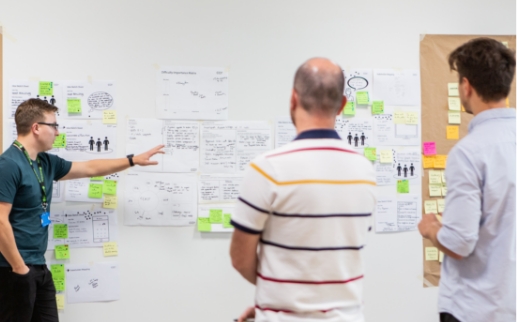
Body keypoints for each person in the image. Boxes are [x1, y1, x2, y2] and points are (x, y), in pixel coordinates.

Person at [230, 58, 377, 322]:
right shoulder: (365, 171)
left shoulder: (266, 169)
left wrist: (277, 302)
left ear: (293, 99)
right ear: (342, 105)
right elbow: (337, 252)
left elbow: (240, 258)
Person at [0, 98, 164, 322]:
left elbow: (89, 168)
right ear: (36, 128)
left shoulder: (45, 163)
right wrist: (19, 268)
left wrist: (132, 160)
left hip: (38, 266)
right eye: (53, 125)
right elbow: (0, 221)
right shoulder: (9, 164)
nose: (57, 132)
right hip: (12, 269)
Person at [418, 38, 516, 322]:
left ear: (466, 85)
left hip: (476, 309)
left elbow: (460, 243)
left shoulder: (469, 152)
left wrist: (431, 228)